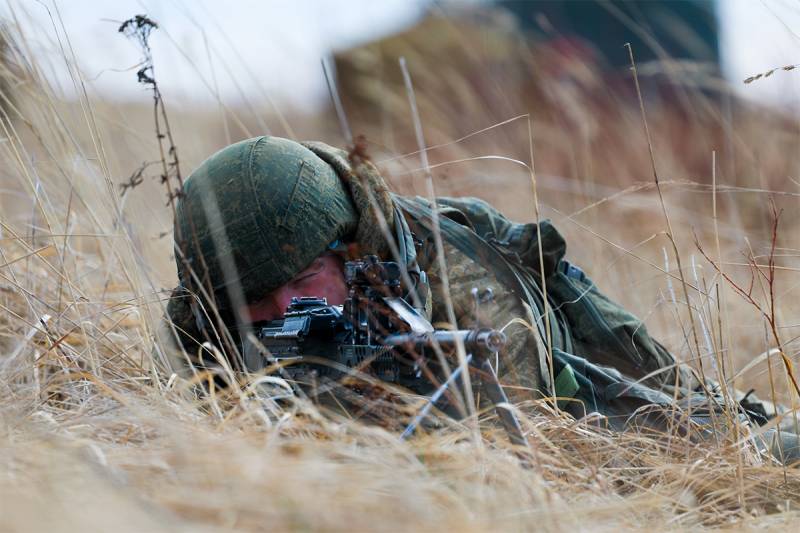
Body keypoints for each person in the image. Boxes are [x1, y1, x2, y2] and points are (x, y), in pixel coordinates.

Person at [165, 135, 799, 462]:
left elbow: (534, 426)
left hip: (554, 347)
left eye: (304, 282)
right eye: (253, 299)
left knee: (706, 431)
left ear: (349, 250)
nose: (282, 313)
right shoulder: (205, 310)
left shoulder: (463, 284)